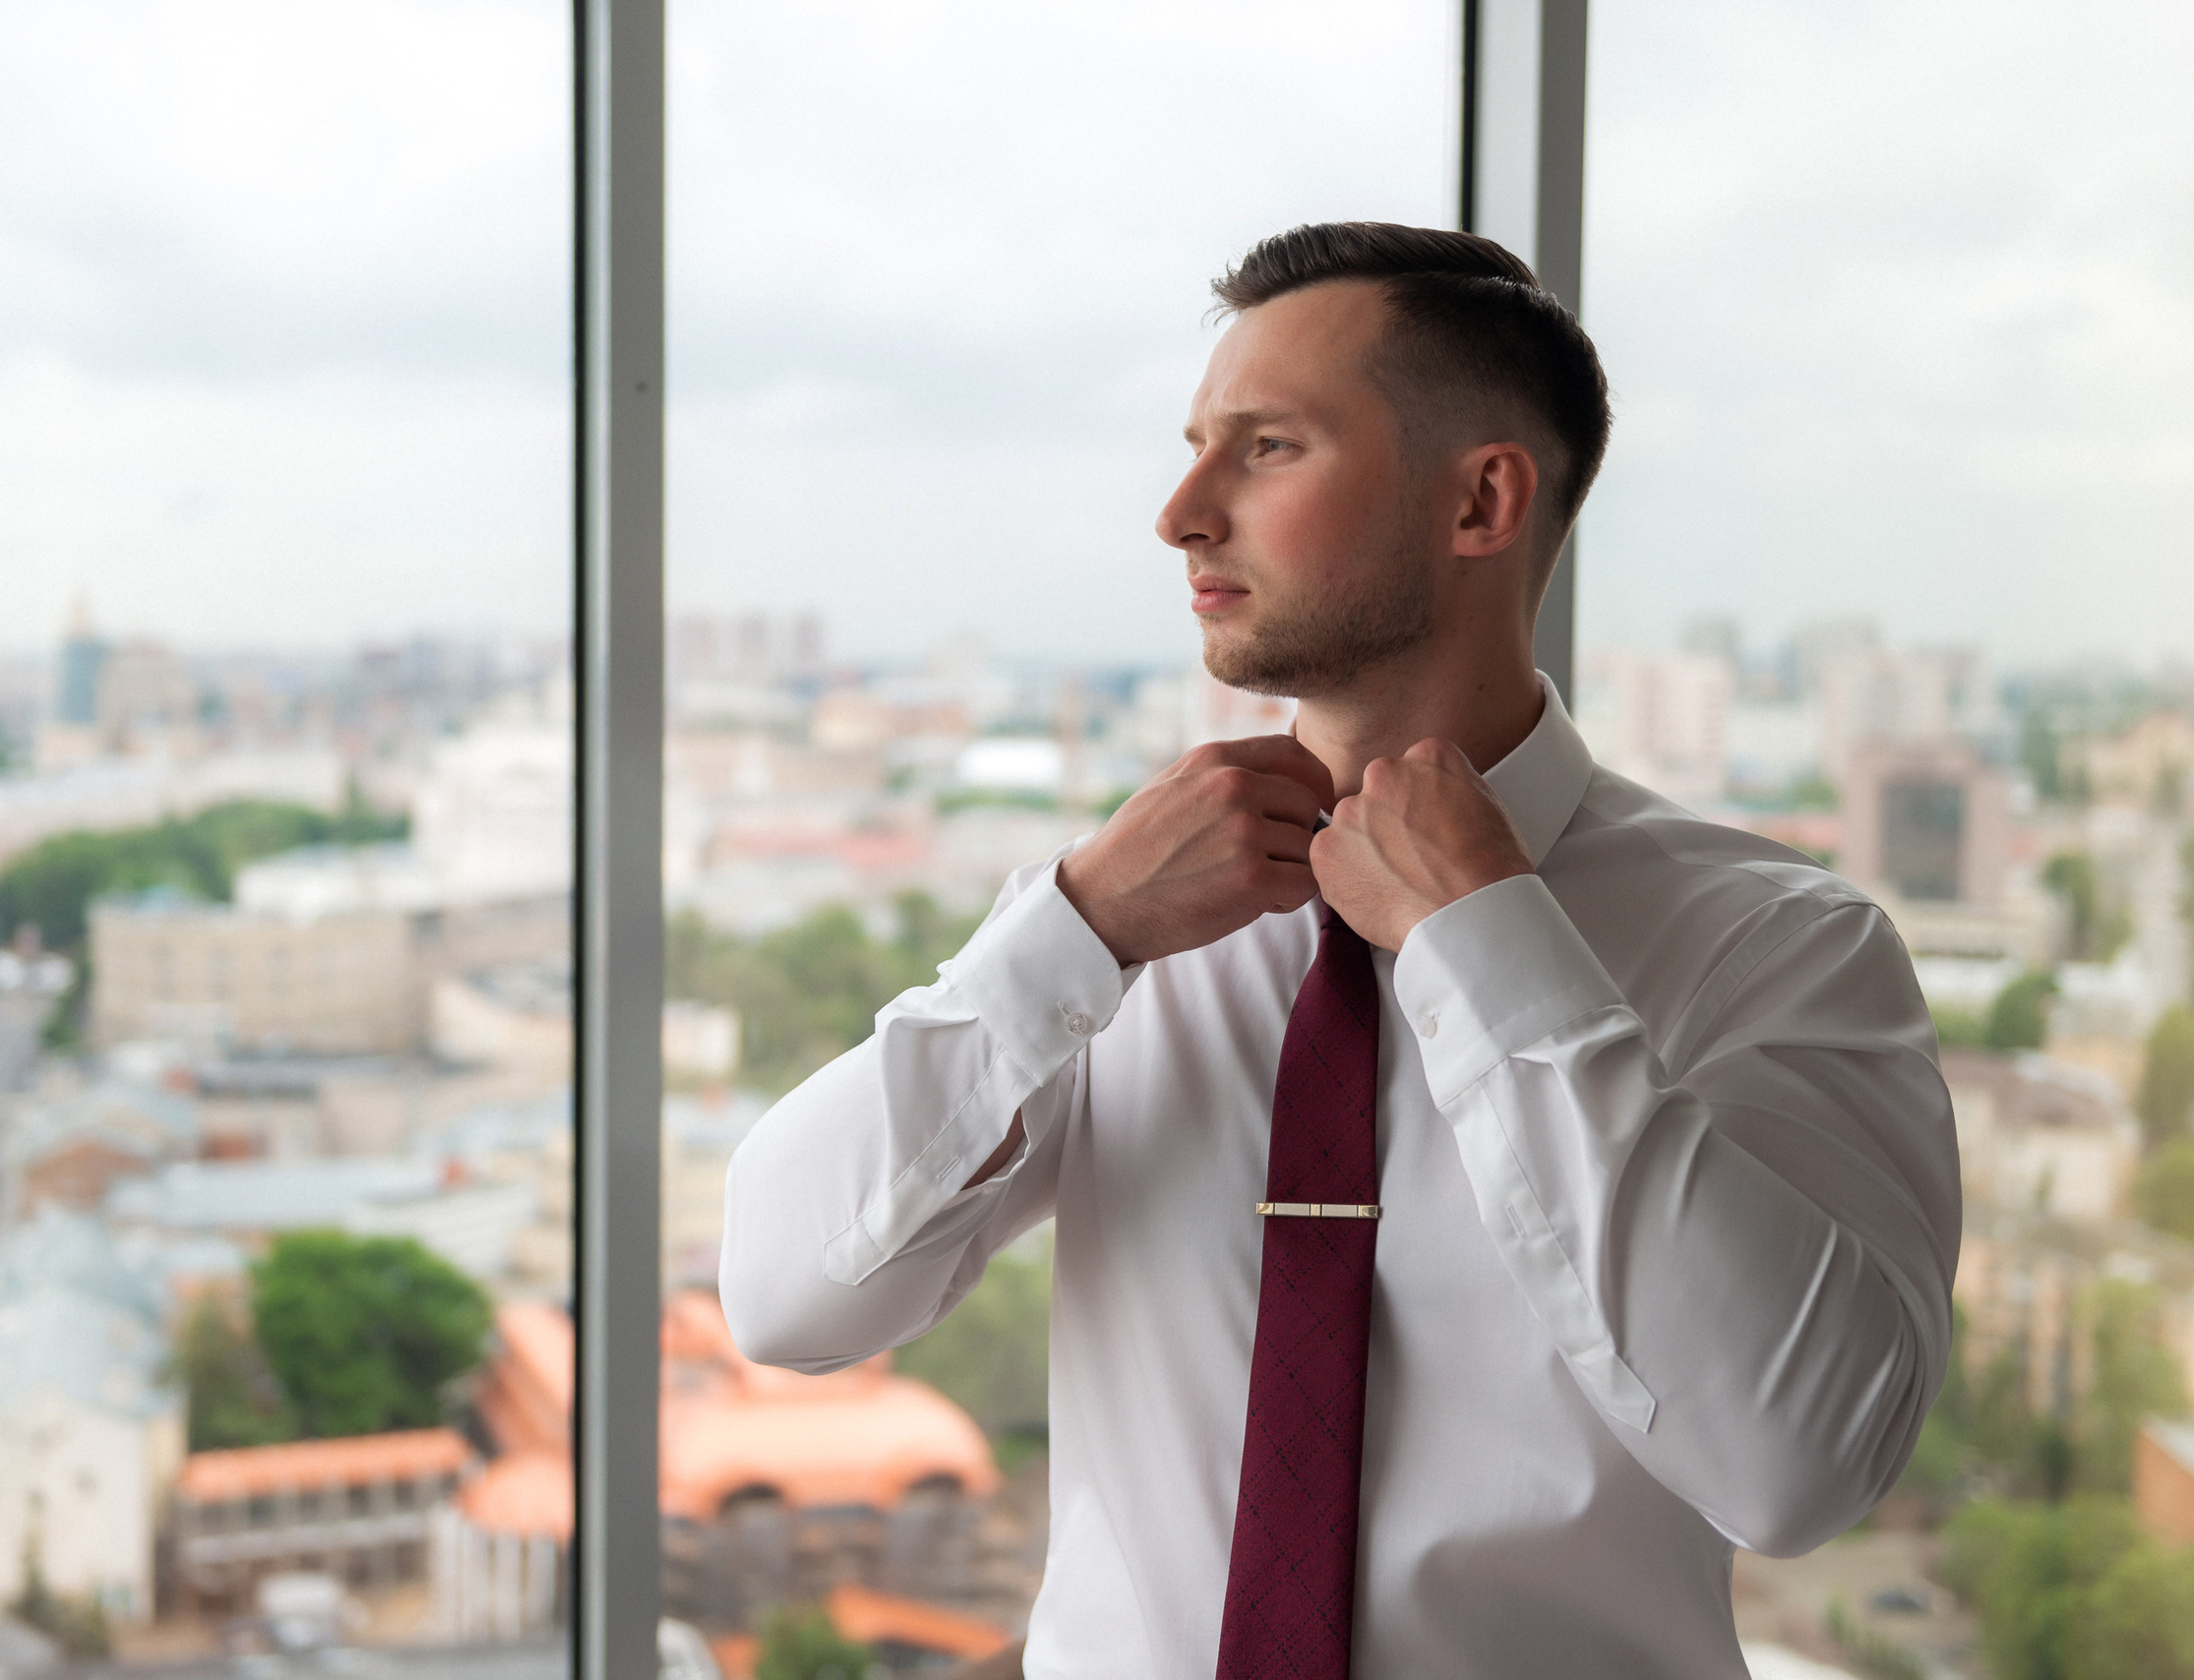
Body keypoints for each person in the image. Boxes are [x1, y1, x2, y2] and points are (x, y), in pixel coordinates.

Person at [718, 222, 1958, 1679]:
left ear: (1481, 500)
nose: (1182, 513)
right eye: (1197, 448)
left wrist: (1489, 944)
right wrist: (1078, 929)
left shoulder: (1779, 947)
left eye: (1268, 448)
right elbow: (784, 1297)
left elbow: (1804, 1465)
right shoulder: (1121, 921)